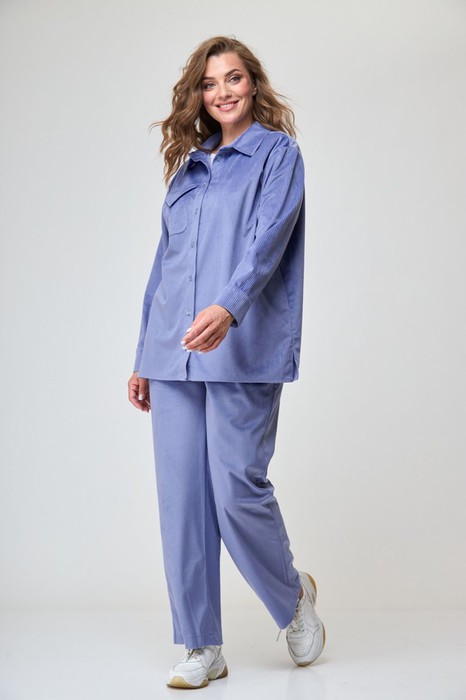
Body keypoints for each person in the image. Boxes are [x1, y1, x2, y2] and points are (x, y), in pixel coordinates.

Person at [127, 35, 325, 690]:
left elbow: (269, 241)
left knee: (237, 489)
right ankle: (201, 644)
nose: (223, 92)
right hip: (171, 355)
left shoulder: (277, 154)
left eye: (233, 78)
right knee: (183, 502)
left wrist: (229, 306)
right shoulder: (187, 169)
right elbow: (164, 266)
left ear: (253, 83)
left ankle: (293, 598)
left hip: (242, 347)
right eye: (210, 84)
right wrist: (144, 353)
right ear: (198, 95)